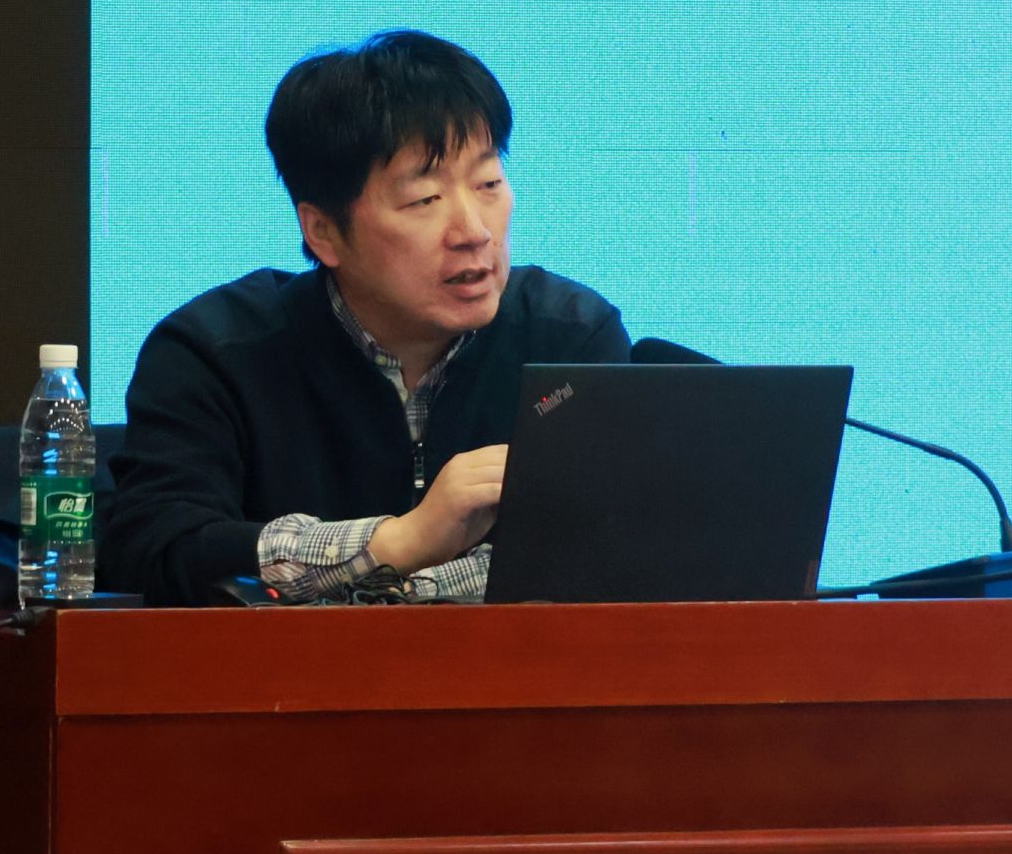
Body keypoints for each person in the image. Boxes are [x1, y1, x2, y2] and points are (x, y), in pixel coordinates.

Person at [100, 30, 628, 605]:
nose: (475, 231)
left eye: (489, 184)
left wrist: (393, 587)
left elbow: (613, 551)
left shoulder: (571, 338)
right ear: (323, 231)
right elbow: (151, 550)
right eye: (424, 200)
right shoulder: (213, 353)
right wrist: (396, 542)